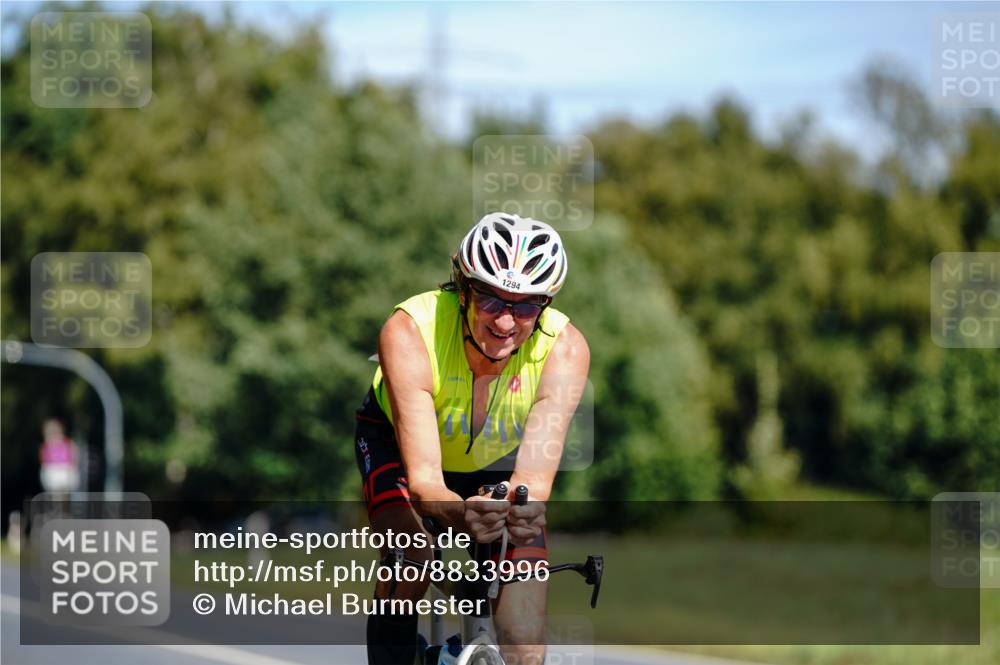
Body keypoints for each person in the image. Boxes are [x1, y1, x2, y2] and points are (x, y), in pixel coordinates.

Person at [355, 212, 590, 665]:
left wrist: (513, 516)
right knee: (412, 554)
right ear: (463, 289)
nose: (506, 321)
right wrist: (462, 514)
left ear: (544, 304)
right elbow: (424, 482)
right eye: (491, 300)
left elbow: (533, 487)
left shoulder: (566, 349)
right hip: (400, 446)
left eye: (525, 306)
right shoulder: (410, 331)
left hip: (497, 459)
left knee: (524, 638)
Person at [39, 419, 79, 493]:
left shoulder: (68, 443)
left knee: (64, 493)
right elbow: (44, 462)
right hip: (52, 472)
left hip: (66, 471)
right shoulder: (46, 446)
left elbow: (74, 455)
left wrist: (72, 467)